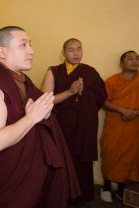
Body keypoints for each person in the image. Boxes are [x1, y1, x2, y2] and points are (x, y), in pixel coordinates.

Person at [0, 26, 80, 208]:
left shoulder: (23, 81)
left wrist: (43, 111)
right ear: (2, 52)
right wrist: (31, 118)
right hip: (4, 185)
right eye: (23, 45)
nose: (31, 50)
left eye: (30, 44)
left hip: (31, 178)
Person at [41, 38, 107, 206]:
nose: (76, 53)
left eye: (79, 49)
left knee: (81, 163)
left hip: (83, 127)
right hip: (60, 125)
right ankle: (59, 196)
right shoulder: (53, 71)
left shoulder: (89, 72)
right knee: (60, 160)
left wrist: (85, 93)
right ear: (63, 53)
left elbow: (101, 97)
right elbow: (45, 100)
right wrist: (71, 92)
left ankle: (80, 199)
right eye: (71, 50)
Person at [100, 50, 139, 203]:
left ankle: (122, 190)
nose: (134, 61)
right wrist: (122, 110)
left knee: (130, 156)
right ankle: (107, 187)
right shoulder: (112, 81)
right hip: (115, 124)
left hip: (134, 127)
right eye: (130, 59)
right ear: (122, 63)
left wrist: (135, 113)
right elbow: (102, 101)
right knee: (110, 152)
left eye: (137, 59)